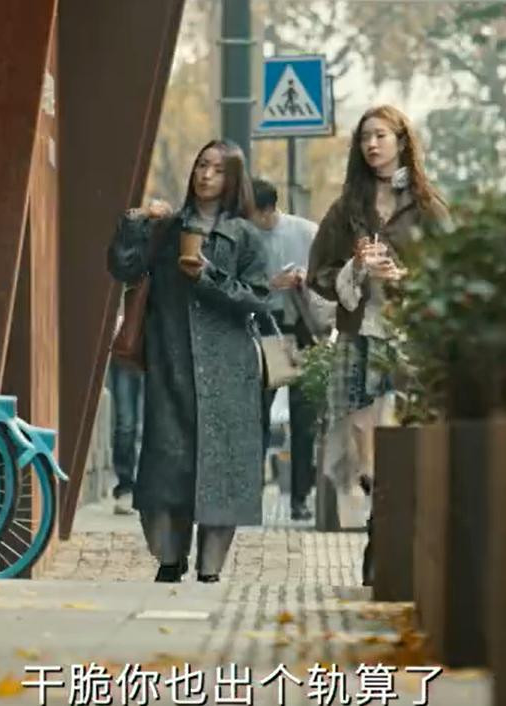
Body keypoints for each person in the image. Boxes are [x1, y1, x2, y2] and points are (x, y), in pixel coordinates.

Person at [107, 140, 270, 584]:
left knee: (222, 468)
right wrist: (136, 222)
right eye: (201, 165)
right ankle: (168, 556)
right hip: (171, 361)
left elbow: (260, 298)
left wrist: (209, 278)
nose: (206, 175)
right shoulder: (167, 228)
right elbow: (123, 268)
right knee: (166, 464)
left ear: (233, 179)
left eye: (217, 169)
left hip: (228, 368)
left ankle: (210, 566)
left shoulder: (245, 235)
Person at [307, 105, 451, 584]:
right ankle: (379, 528)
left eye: (381, 135)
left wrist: (403, 277)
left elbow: (450, 273)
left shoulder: (427, 206)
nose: (372, 144)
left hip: (408, 337)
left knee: (400, 438)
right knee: (361, 446)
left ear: (402, 141)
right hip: (359, 334)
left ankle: (384, 544)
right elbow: (317, 272)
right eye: (365, 137)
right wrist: (355, 269)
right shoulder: (348, 206)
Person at [251, 177, 319, 521]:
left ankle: (300, 498)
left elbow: (329, 278)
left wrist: (306, 279)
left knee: (304, 417)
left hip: (301, 328)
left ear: (268, 209)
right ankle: (251, 493)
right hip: (267, 329)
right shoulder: (245, 237)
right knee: (258, 414)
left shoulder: (306, 232)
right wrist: (271, 284)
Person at [107, 301, 143, 515]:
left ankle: (150, 488)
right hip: (125, 345)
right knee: (126, 423)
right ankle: (126, 486)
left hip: (159, 346)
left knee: (154, 422)